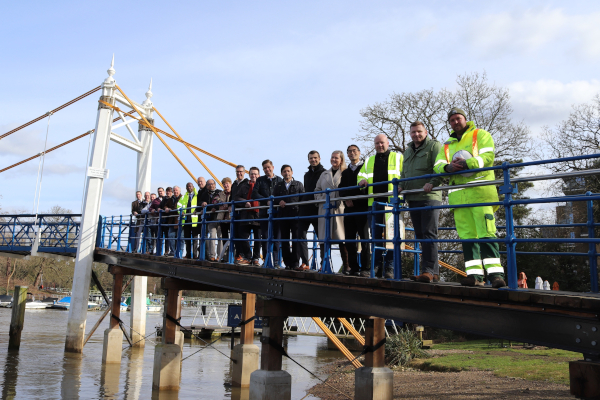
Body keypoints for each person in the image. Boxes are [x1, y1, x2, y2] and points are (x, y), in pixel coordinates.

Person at [433, 107, 505, 288]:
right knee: (467, 237)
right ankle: (474, 276)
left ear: (465, 119)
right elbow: (438, 164)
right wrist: (448, 168)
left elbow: (488, 156)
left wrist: (467, 164)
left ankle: (495, 275)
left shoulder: (480, 135)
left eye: (458, 118)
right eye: (452, 120)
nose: (455, 122)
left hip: (480, 193)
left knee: (486, 233)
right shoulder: (447, 145)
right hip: (459, 198)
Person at [399, 122, 443, 283]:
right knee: (420, 234)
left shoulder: (434, 146)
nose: (416, 135)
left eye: (419, 132)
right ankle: (434, 272)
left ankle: (428, 271)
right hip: (413, 197)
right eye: (413, 132)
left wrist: (433, 182)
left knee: (429, 234)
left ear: (425, 132)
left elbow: (439, 168)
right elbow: (404, 172)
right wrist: (401, 185)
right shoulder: (408, 151)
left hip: (429, 196)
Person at [358, 134, 403, 278]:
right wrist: (362, 181)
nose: (380, 145)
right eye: (377, 143)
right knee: (376, 236)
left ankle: (390, 267)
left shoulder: (398, 158)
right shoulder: (369, 160)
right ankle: (376, 266)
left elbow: (406, 174)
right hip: (374, 203)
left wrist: (402, 186)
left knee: (392, 236)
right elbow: (361, 175)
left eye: (382, 143)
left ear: (388, 143)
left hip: (392, 202)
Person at [314, 151, 348, 273]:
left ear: (341, 160)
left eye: (336, 158)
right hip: (325, 208)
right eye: (332, 157)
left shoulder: (345, 172)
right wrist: (321, 199)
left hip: (339, 208)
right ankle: (324, 264)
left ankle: (346, 265)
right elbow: (317, 189)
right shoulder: (324, 174)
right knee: (323, 238)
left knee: (341, 237)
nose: (334, 160)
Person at [340, 145, 371, 276]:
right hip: (349, 209)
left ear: (359, 153)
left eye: (354, 151)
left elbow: (367, 187)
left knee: (364, 238)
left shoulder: (365, 168)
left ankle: (365, 268)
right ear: (347, 155)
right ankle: (354, 267)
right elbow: (341, 189)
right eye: (349, 152)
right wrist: (346, 199)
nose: (352, 153)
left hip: (362, 208)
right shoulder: (346, 172)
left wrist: (356, 198)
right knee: (349, 239)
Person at [273, 165, 305, 270]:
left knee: (295, 239)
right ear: (281, 173)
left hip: (295, 215)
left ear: (292, 172)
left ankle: (295, 263)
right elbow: (274, 198)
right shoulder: (278, 186)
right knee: (285, 240)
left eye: (288, 171)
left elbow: (303, 198)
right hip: (283, 215)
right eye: (284, 171)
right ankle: (287, 263)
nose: (287, 173)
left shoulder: (299, 184)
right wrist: (279, 201)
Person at [255, 160, 284, 267]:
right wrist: (266, 200)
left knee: (277, 237)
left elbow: (282, 193)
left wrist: (275, 201)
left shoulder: (280, 180)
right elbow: (255, 193)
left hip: (277, 213)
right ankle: (267, 260)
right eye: (265, 168)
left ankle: (276, 261)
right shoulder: (260, 180)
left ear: (273, 167)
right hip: (264, 212)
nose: (267, 169)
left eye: (268, 167)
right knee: (266, 237)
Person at [299, 151, 325, 268]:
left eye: (315, 158)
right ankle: (305, 262)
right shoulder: (306, 174)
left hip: (317, 208)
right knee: (300, 235)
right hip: (305, 208)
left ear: (319, 158)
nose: (313, 160)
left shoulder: (324, 173)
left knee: (321, 237)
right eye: (310, 158)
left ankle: (323, 263)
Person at [234, 167, 262, 265]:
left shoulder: (261, 185)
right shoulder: (244, 186)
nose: (253, 176)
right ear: (249, 175)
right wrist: (244, 202)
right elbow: (236, 197)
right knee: (243, 237)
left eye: (255, 174)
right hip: (246, 215)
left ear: (258, 175)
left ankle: (255, 259)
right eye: (251, 174)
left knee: (258, 238)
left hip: (258, 215)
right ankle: (248, 257)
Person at [199, 179, 222, 261]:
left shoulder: (219, 192)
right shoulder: (205, 194)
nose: (211, 185)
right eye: (208, 184)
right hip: (211, 218)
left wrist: (215, 208)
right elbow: (200, 201)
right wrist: (202, 203)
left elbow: (221, 201)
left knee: (220, 236)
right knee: (212, 236)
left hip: (219, 217)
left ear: (215, 184)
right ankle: (212, 255)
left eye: (212, 184)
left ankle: (220, 255)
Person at [178, 182, 199, 259]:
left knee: (195, 239)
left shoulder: (197, 195)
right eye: (188, 186)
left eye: (190, 186)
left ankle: (195, 254)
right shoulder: (183, 197)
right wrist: (181, 211)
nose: (189, 187)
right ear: (186, 188)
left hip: (195, 220)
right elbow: (178, 206)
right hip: (186, 220)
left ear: (193, 187)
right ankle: (188, 254)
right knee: (187, 238)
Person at [214, 177, 233, 261]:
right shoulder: (220, 193)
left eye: (227, 183)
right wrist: (220, 202)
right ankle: (225, 256)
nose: (226, 185)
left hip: (230, 218)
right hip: (222, 218)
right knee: (224, 237)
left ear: (230, 184)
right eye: (224, 184)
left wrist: (228, 205)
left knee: (232, 237)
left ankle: (232, 255)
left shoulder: (233, 192)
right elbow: (214, 200)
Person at [164, 186, 182, 256]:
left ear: (179, 191)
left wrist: (171, 209)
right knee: (170, 236)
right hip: (171, 220)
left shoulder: (182, 198)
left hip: (178, 220)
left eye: (176, 190)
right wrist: (166, 208)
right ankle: (172, 251)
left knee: (179, 237)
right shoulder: (171, 199)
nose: (175, 192)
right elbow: (165, 205)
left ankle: (178, 252)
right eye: (174, 191)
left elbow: (180, 207)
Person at [158, 187, 173, 255]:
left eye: (169, 191)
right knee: (160, 236)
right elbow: (160, 206)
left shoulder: (172, 199)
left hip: (169, 219)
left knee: (168, 236)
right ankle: (159, 250)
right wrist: (158, 208)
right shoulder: (164, 200)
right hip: (163, 220)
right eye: (167, 192)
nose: (168, 193)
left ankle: (167, 250)